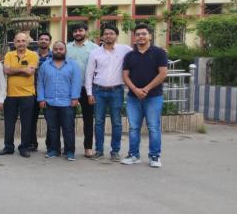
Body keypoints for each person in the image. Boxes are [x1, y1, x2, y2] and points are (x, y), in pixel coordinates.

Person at [121, 24, 168, 168]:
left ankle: (155, 156)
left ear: (150, 36)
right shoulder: (130, 55)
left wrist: (145, 89)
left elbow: (163, 73)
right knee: (133, 127)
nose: (141, 37)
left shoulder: (159, 53)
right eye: (138, 34)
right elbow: (125, 76)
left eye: (144, 34)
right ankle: (133, 155)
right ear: (134, 37)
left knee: (153, 127)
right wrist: (135, 90)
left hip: (153, 96)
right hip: (133, 97)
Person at [86, 25, 132, 162]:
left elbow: (140, 54)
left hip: (116, 91)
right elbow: (89, 74)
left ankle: (115, 151)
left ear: (116, 35)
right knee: (98, 122)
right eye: (105, 34)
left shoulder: (125, 50)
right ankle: (99, 150)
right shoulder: (95, 52)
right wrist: (89, 93)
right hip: (98, 90)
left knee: (116, 122)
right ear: (102, 36)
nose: (108, 36)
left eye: (111, 33)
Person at [37, 41, 82, 161]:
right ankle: (54, 150)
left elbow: (76, 83)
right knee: (52, 128)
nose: (58, 51)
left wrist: (75, 98)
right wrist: (41, 98)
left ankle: (69, 151)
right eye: (56, 49)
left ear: (65, 50)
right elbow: (40, 83)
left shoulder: (73, 65)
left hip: (67, 102)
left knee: (68, 128)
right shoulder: (45, 65)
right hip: (49, 102)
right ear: (53, 50)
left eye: (61, 49)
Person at [0, 33, 39, 158]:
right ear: (14, 42)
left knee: (26, 123)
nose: (21, 43)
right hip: (10, 94)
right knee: (9, 122)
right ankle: (8, 147)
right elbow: (6, 71)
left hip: (27, 94)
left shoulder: (33, 55)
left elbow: (30, 72)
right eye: (18, 41)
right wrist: (23, 69)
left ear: (27, 42)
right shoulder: (9, 55)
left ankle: (24, 147)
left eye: (23, 41)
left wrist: (14, 70)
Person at [66, 23, 99, 157]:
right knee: (68, 119)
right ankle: (69, 147)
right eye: (75, 31)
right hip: (70, 88)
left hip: (88, 88)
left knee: (88, 119)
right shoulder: (67, 48)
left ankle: (88, 147)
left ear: (86, 31)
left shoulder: (95, 48)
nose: (78, 33)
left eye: (80, 30)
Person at [29, 32, 53, 152]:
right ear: (38, 41)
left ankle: (50, 144)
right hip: (32, 91)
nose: (43, 41)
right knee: (31, 119)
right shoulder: (31, 55)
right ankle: (32, 143)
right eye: (41, 39)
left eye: (46, 39)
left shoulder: (54, 56)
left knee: (51, 120)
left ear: (50, 42)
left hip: (49, 92)